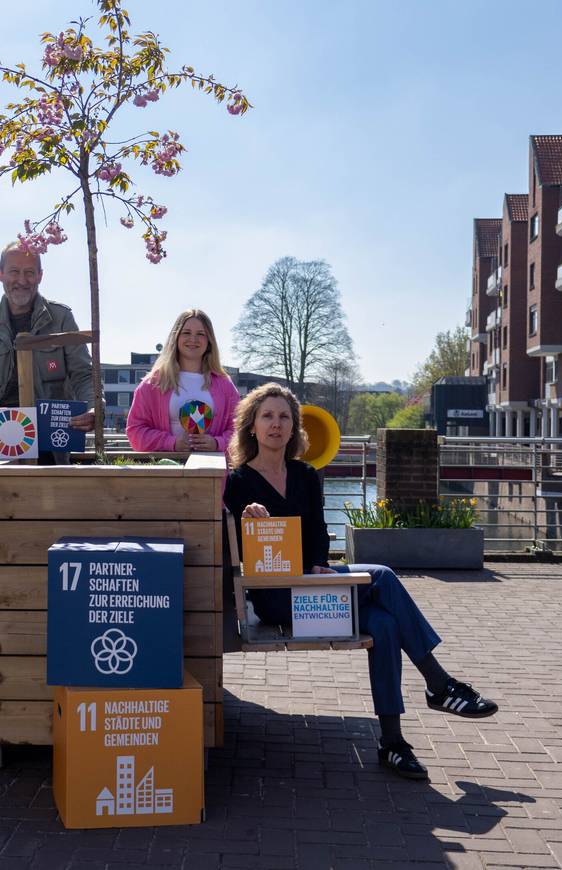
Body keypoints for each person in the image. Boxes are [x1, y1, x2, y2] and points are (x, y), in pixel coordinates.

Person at [223, 382, 498, 781]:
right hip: (277, 599)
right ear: (251, 426)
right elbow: (241, 559)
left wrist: (319, 564)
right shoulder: (238, 483)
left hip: (314, 586)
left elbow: (318, 534)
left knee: (384, 625)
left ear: (294, 427)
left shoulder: (305, 474)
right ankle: (439, 683)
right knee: (382, 576)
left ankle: (393, 743)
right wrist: (249, 523)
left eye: (284, 416)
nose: (276, 424)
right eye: (267, 416)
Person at [0, 242, 95, 462]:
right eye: (14, 272)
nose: (22, 281)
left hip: (49, 437)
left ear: (40, 276)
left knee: (45, 491)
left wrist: (93, 409)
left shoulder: (61, 318)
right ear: (0, 274)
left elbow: (83, 374)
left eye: (29, 273)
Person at [126, 309, 240, 454]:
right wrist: (171, 443)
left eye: (201, 334)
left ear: (209, 340)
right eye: (186, 333)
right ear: (176, 337)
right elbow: (135, 431)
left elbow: (241, 430)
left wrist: (217, 443)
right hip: (168, 473)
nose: (193, 339)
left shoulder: (225, 385)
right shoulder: (153, 384)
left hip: (213, 473)